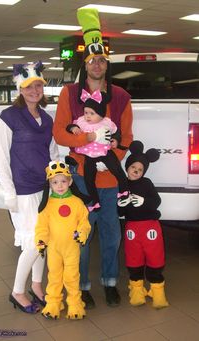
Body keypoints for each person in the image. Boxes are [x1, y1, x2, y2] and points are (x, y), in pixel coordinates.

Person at [53, 8, 133, 308]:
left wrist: (111, 156)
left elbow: (127, 137)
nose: (97, 64)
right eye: (92, 60)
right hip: (80, 178)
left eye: (102, 60)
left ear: (106, 64)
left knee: (112, 234)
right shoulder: (69, 94)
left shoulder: (122, 96)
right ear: (85, 63)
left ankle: (110, 283)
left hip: (111, 179)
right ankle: (82, 286)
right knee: (82, 236)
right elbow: (59, 133)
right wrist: (85, 140)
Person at [0, 61, 59, 314]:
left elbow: (52, 152)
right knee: (34, 242)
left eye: (39, 86)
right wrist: (8, 192)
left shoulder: (46, 117)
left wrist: (57, 180)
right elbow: (1, 158)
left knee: (42, 239)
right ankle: (17, 291)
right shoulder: (8, 118)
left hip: (44, 188)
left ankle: (36, 285)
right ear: (21, 89)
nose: (35, 90)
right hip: (21, 190)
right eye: (29, 86)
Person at [35, 161, 91, 319]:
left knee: (72, 276)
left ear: (70, 182)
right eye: (55, 182)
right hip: (54, 249)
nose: (59, 186)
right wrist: (40, 240)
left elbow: (84, 222)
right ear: (50, 184)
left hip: (71, 249)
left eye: (63, 181)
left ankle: (74, 303)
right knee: (54, 276)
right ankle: (53, 302)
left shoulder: (77, 203)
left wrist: (82, 233)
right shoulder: (47, 205)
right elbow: (42, 226)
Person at [118, 140, 169, 309]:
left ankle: (157, 291)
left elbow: (157, 201)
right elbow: (119, 213)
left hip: (150, 227)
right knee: (134, 261)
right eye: (133, 168)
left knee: (155, 259)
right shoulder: (121, 185)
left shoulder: (146, 183)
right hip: (132, 228)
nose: (136, 171)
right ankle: (137, 290)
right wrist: (120, 206)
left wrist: (144, 201)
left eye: (140, 170)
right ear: (127, 167)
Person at [66, 88, 129, 212]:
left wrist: (116, 140)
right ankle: (95, 202)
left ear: (101, 114)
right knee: (89, 180)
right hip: (89, 156)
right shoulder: (81, 121)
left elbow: (117, 133)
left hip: (106, 153)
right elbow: (69, 126)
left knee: (118, 171)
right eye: (86, 112)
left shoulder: (107, 123)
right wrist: (73, 128)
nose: (88, 116)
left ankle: (124, 191)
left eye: (92, 113)